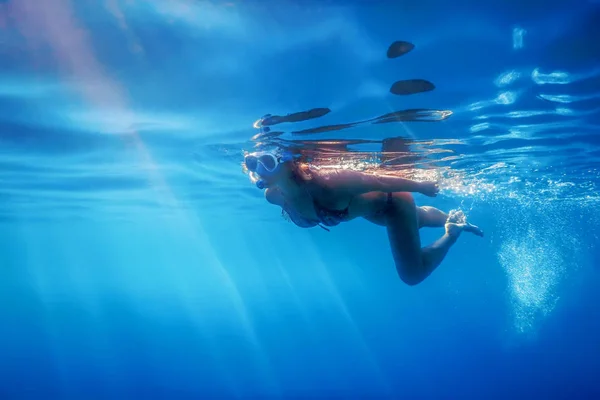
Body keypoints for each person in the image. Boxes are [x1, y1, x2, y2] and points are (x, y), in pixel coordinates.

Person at [243, 149, 483, 286]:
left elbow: (376, 180)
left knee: (412, 275)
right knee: (416, 220)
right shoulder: (273, 196)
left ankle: (452, 234)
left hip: (394, 203)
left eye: (267, 162)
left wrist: (420, 186)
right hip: (367, 209)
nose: (259, 169)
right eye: (253, 163)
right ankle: (453, 219)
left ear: (288, 164)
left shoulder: (329, 185)